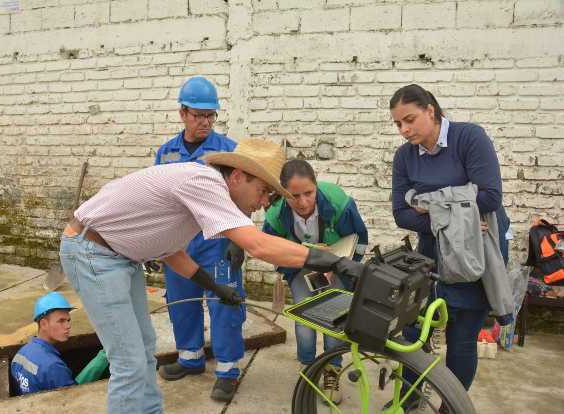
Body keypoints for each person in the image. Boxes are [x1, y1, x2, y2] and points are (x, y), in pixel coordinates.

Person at [59, 138, 365, 414]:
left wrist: (215, 287)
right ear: (236, 176)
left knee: (144, 350)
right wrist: (334, 263)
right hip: (92, 253)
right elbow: (258, 245)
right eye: (262, 191)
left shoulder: (201, 188)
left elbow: (171, 252)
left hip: (117, 255)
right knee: (129, 362)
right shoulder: (205, 183)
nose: (262, 203)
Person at [389, 84, 511, 405]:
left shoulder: (469, 138)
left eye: (410, 119)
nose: (404, 130)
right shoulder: (404, 157)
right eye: (398, 124)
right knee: (415, 335)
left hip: (474, 252)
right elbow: (401, 213)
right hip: (430, 255)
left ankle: (452, 407)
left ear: (431, 110)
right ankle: (409, 400)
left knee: (461, 340)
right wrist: (458, 215)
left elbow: (489, 197)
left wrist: (428, 205)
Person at [154, 76, 246, 402]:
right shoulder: (166, 153)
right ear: (182, 113)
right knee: (181, 300)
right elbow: (158, 200)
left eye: (211, 115)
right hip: (179, 245)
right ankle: (190, 358)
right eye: (198, 115)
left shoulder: (228, 151)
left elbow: (244, 199)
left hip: (218, 243)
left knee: (225, 303)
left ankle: (227, 369)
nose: (205, 122)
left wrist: (240, 240)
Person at [262, 159, 368, 405]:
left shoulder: (339, 202)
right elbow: (269, 249)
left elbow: (359, 238)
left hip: (337, 267)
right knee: (304, 318)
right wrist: (296, 264)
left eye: (308, 193)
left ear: (316, 186)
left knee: (334, 320)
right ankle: (308, 367)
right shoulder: (275, 214)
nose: (303, 202)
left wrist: (346, 266)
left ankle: (332, 370)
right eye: (294, 196)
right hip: (300, 268)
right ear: (284, 193)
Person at [10, 292, 108, 395]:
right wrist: (103, 358)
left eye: (68, 320)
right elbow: (73, 397)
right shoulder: (53, 366)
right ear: (43, 324)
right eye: (61, 321)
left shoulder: (21, 353)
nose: (68, 326)